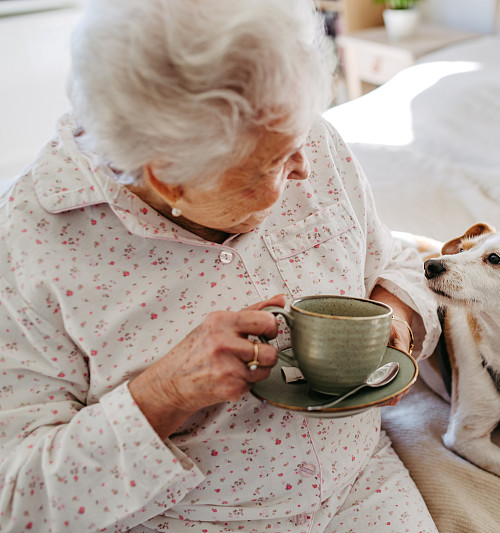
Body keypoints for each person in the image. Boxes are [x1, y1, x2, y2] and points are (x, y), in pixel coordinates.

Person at [0, 0, 440, 531]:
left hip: (362, 489)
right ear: (168, 179)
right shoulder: (31, 242)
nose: (307, 166)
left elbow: (394, 257)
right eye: (275, 161)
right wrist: (165, 393)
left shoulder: (299, 133)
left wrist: (390, 321)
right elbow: (19, 499)